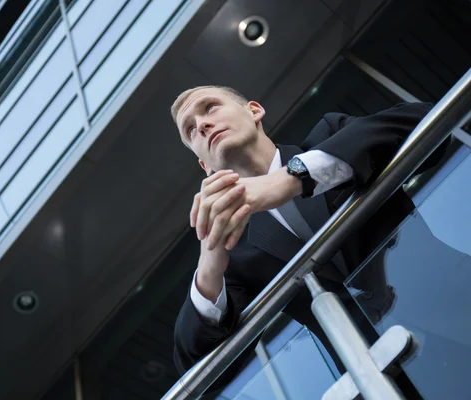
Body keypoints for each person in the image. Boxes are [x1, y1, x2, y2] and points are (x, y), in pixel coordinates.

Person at [170, 85, 439, 394]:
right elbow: (199, 373)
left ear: (254, 111)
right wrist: (209, 266)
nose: (201, 125)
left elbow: (424, 120)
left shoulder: (331, 137)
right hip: (385, 379)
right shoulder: (235, 256)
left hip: (452, 301)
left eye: (210, 108)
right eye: (190, 130)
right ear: (206, 167)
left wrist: (292, 179)